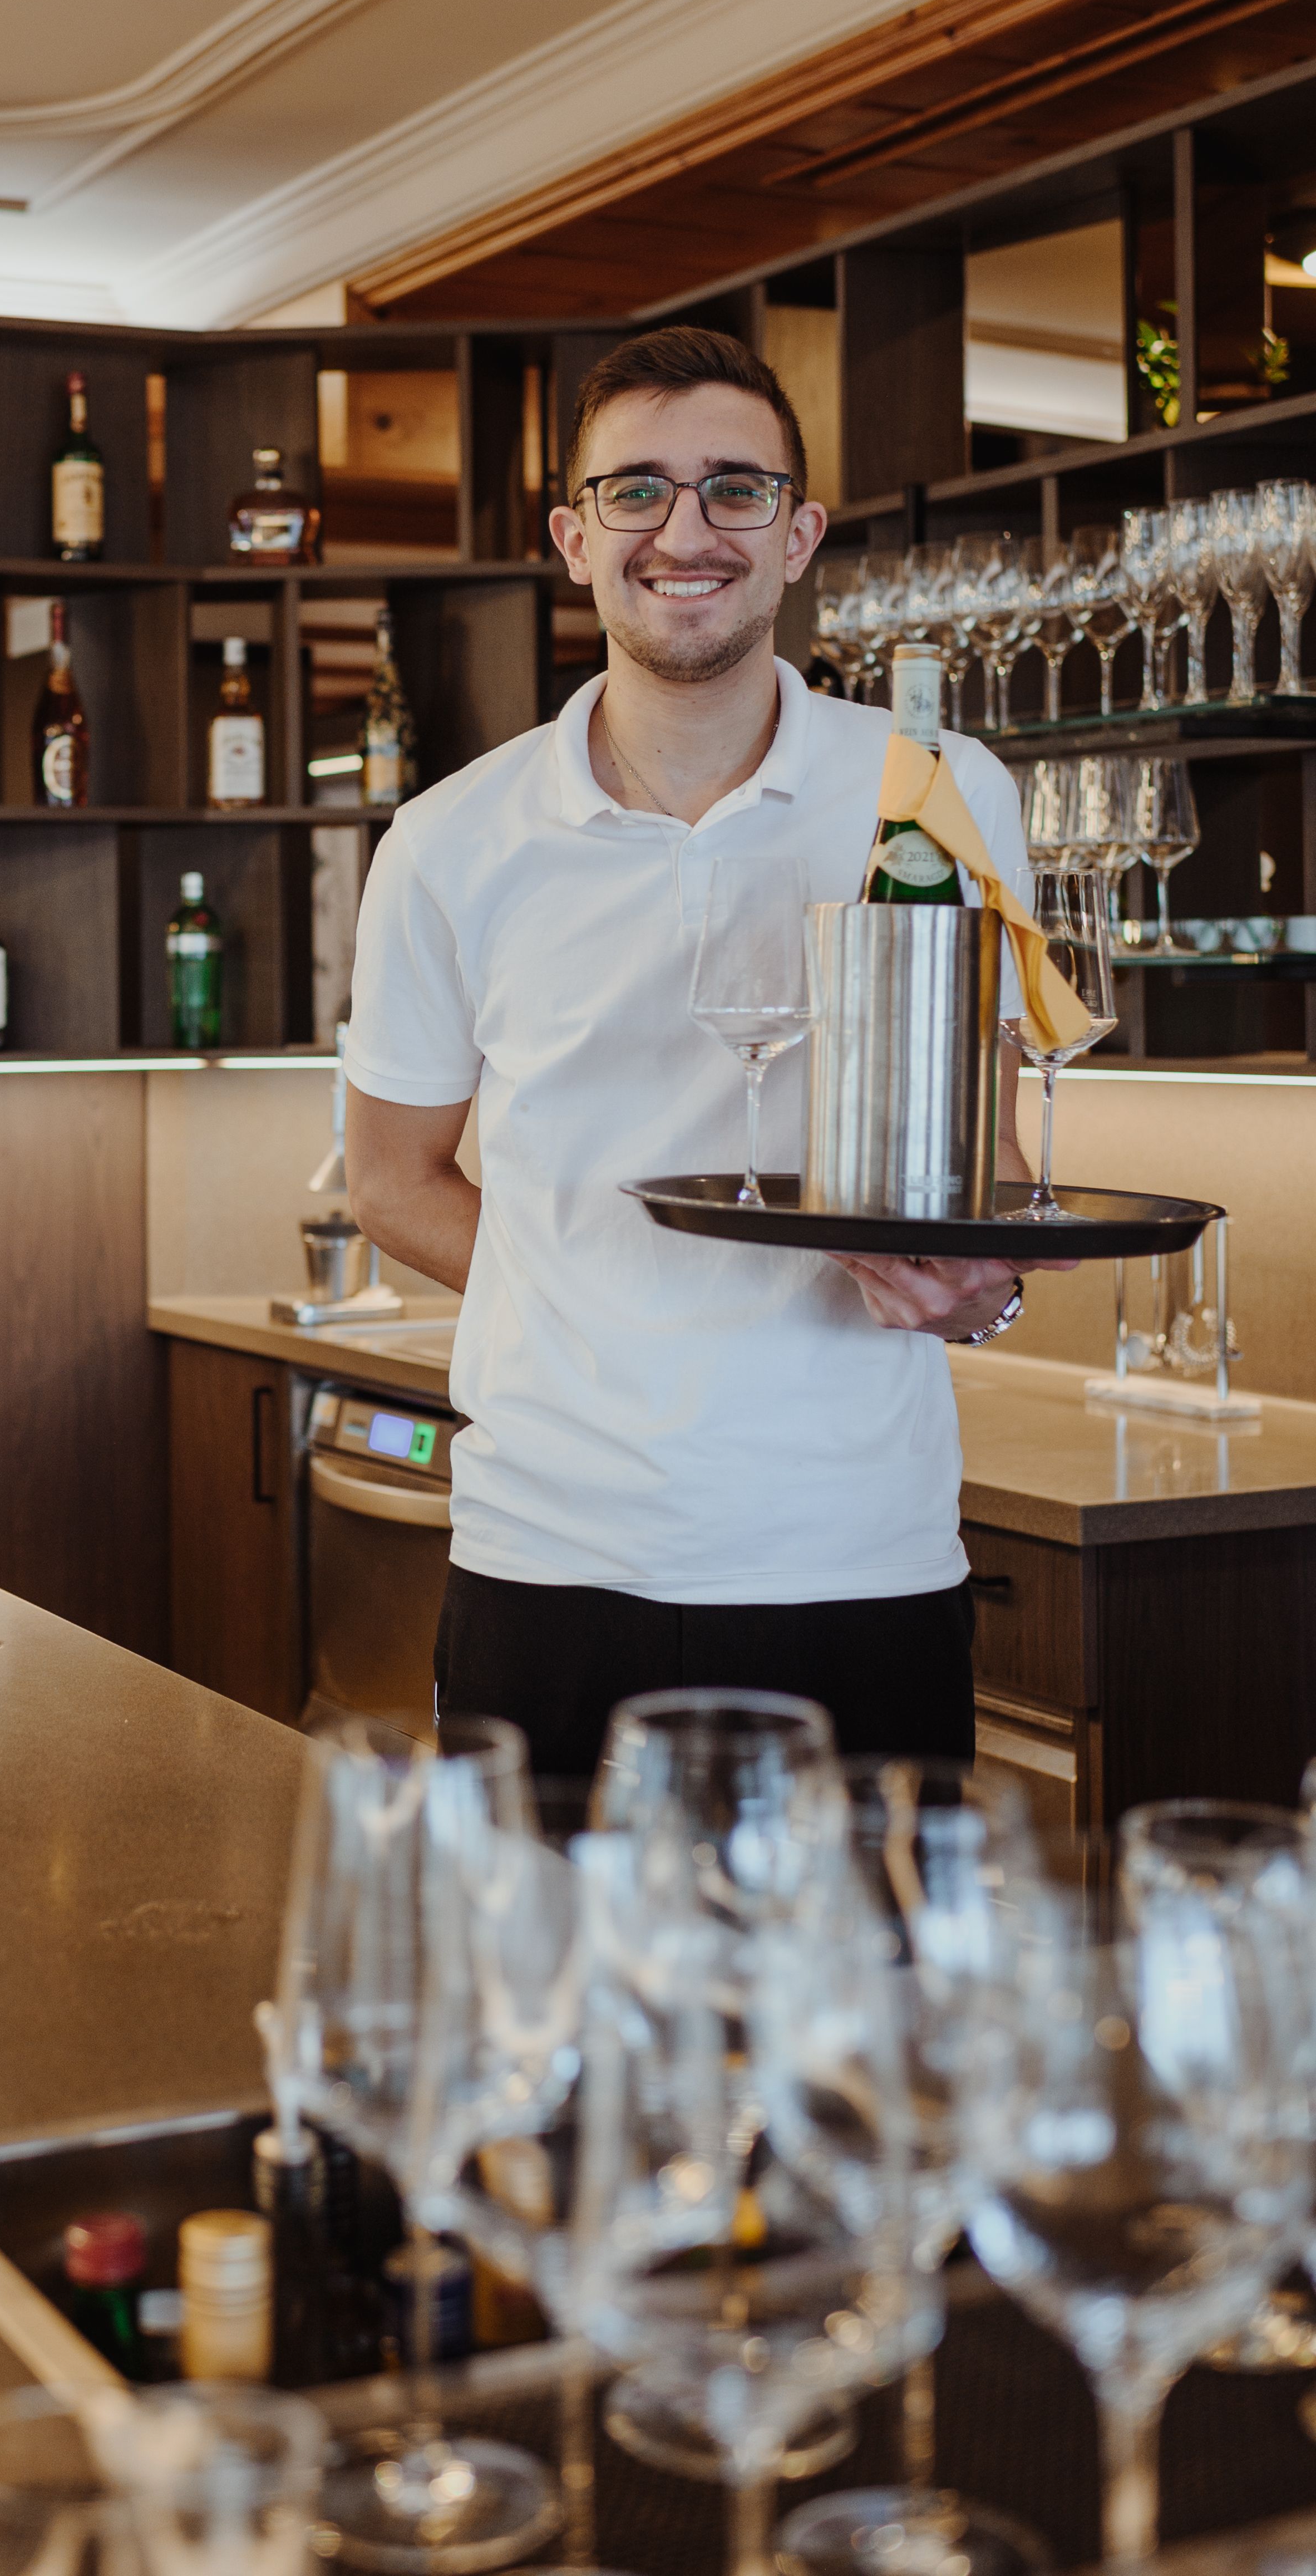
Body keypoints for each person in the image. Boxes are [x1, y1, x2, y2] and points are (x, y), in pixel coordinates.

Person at [342, 324, 1039, 1777]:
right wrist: (594, 1290)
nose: (685, 531)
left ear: (798, 536)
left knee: (866, 1938)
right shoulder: (448, 841)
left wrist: (981, 1291)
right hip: (549, 1550)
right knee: (542, 1939)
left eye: (735, 488)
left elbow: (987, 1158)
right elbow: (391, 1180)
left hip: (859, 1550)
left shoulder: (935, 790)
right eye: (635, 491)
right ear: (574, 540)